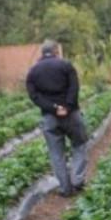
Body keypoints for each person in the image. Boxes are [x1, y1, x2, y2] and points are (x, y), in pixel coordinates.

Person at [26, 39, 88, 197]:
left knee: (56, 154)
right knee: (79, 144)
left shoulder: (33, 71)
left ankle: (65, 189)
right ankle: (77, 180)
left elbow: (34, 96)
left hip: (49, 117)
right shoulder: (66, 65)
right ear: (56, 51)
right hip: (72, 115)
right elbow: (74, 87)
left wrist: (53, 108)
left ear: (42, 53)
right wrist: (66, 106)